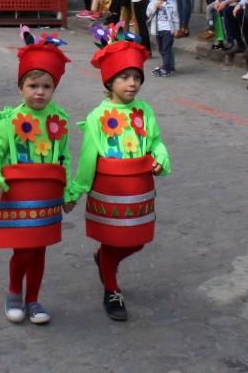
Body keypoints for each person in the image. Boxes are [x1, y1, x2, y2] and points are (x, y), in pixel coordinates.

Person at [66, 36, 170, 322]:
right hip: (109, 189)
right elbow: (88, 157)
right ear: (109, 82)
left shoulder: (144, 111)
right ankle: (111, 289)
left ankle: (104, 260)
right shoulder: (98, 116)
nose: (132, 83)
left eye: (136, 77)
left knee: (136, 241)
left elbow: (156, 141)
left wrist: (161, 158)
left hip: (138, 190)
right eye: (124, 77)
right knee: (113, 240)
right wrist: (76, 191)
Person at [0, 35, 74, 325]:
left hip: (46, 199)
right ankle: (13, 292)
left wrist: (68, 191)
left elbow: (64, 158)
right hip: (18, 197)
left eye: (47, 86)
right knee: (23, 250)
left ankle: (33, 298)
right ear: (20, 87)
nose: (40, 93)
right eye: (33, 86)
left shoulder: (58, 120)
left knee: (40, 250)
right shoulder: (8, 121)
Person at [147, 0, 179, 77]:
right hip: (158, 30)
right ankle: (168, 66)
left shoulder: (171, 4)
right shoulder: (153, 3)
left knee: (166, 49)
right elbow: (148, 14)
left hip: (168, 30)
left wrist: (177, 29)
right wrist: (154, 7)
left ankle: (166, 69)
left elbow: (175, 17)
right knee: (161, 49)